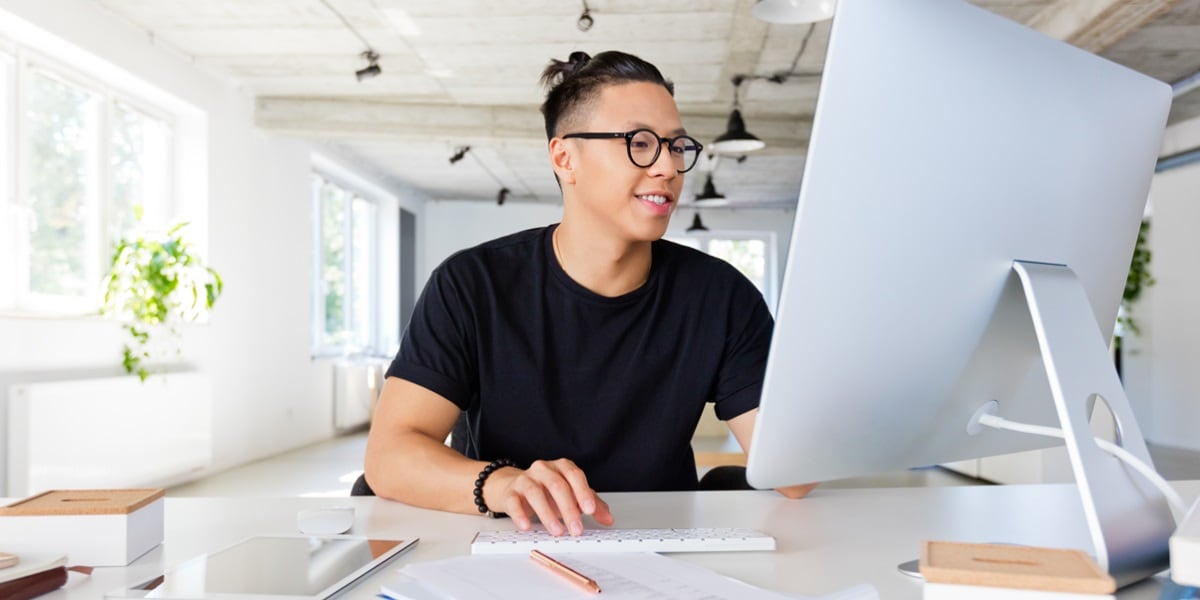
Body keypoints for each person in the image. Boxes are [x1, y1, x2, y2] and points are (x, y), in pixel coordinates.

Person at [364, 50, 816, 537]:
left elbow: (792, 477)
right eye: (640, 143)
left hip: (662, 546)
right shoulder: (472, 284)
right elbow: (389, 457)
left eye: (677, 145)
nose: (668, 166)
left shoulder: (722, 296)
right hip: (508, 539)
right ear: (565, 158)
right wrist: (501, 485)